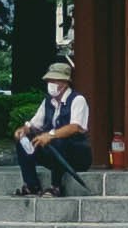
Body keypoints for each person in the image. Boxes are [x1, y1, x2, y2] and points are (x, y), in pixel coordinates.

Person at [14, 60, 91, 196]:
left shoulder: (78, 100)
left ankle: (56, 186)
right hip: (54, 153)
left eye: (55, 80)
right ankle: (31, 184)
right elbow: (34, 124)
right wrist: (24, 130)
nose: (51, 84)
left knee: (58, 139)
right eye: (50, 80)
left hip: (76, 153)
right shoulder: (48, 101)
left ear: (65, 82)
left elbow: (75, 127)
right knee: (23, 141)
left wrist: (51, 135)